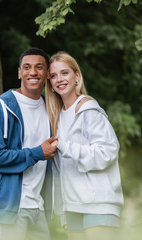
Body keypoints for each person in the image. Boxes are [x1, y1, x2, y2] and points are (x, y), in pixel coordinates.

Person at [0, 47, 58, 240]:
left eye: (39, 67)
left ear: (47, 73)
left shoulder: (50, 109)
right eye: (27, 67)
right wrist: (37, 153)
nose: (33, 72)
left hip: (38, 208)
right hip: (8, 210)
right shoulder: (3, 108)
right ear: (19, 73)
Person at [45, 52, 124, 240]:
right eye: (54, 76)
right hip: (72, 207)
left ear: (76, 76)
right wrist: (62, 211)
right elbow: (59, 170)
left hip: (98, 203)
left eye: (64, 73)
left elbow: (108, 151)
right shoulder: (55, 117)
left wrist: (65, 146)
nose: (59, 79)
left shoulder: (89, 110)